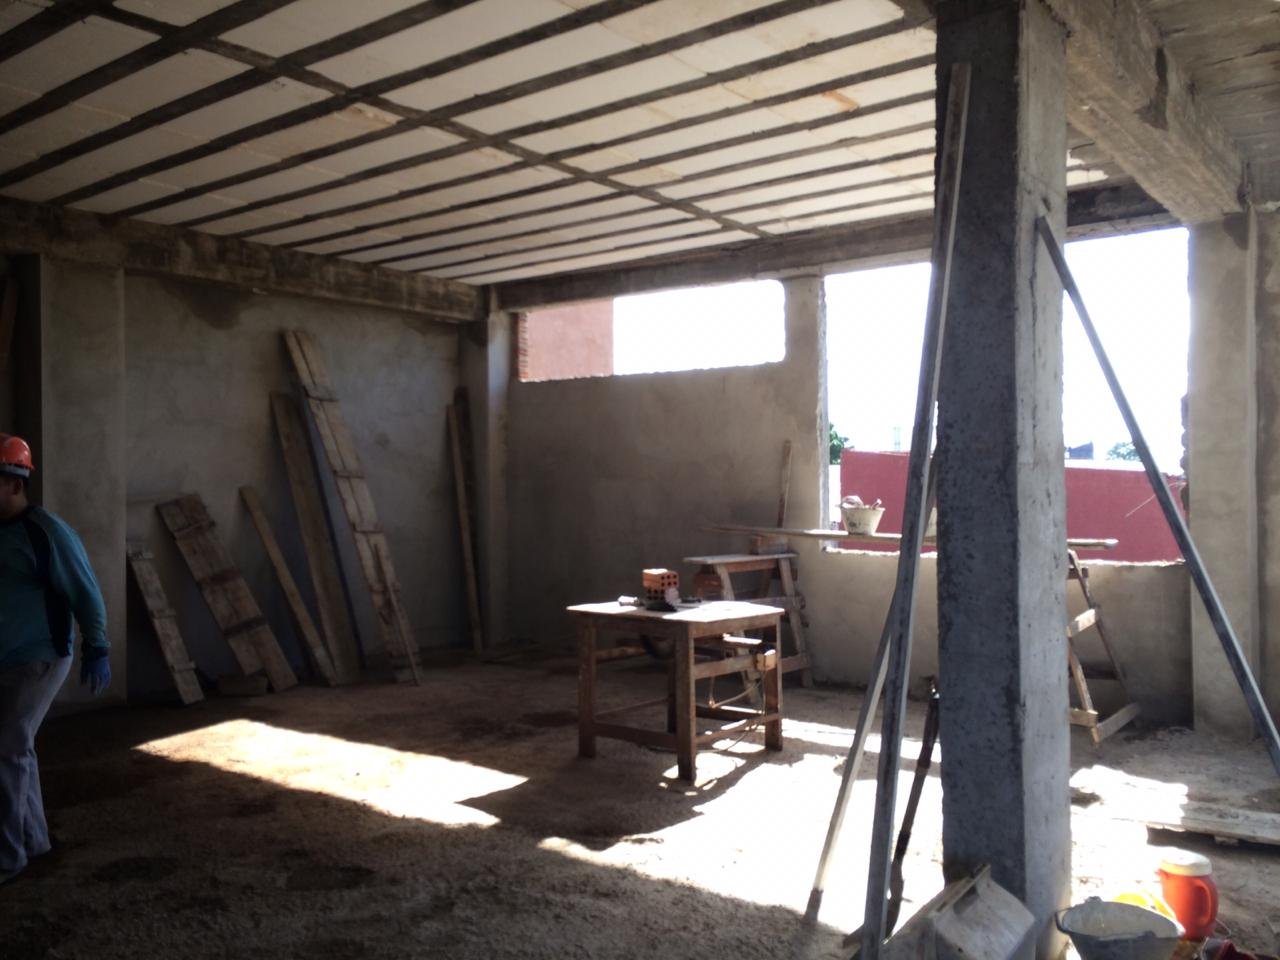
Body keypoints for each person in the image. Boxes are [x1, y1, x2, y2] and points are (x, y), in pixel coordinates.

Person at [0, 433, 110, 884]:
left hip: (41, 657)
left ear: (14, 483)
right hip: (6, 658)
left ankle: (8, 858)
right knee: (14, 749)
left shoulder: (46, 532)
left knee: (7, 748)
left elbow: (86, 591)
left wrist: (97, 647)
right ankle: (34, 841)